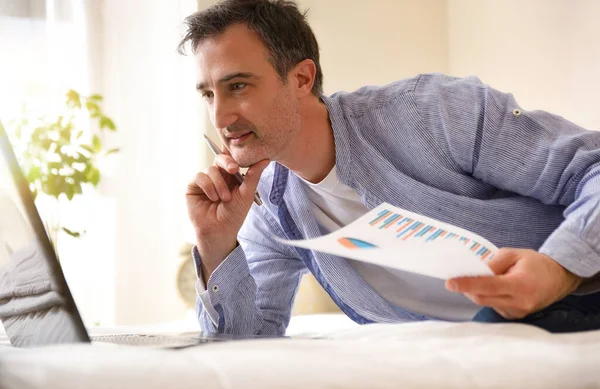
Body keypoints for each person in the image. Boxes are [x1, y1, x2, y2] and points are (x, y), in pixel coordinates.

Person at [179, 0, 600, 335]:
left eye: (238, 86)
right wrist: (215, 247)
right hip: (456, 354)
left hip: (579, 299)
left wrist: (561, 269)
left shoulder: (432, 111)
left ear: (303, 78)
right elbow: (244, 345)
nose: (220, 118)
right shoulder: (270, 212)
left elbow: (592, 169)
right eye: (209, 95)